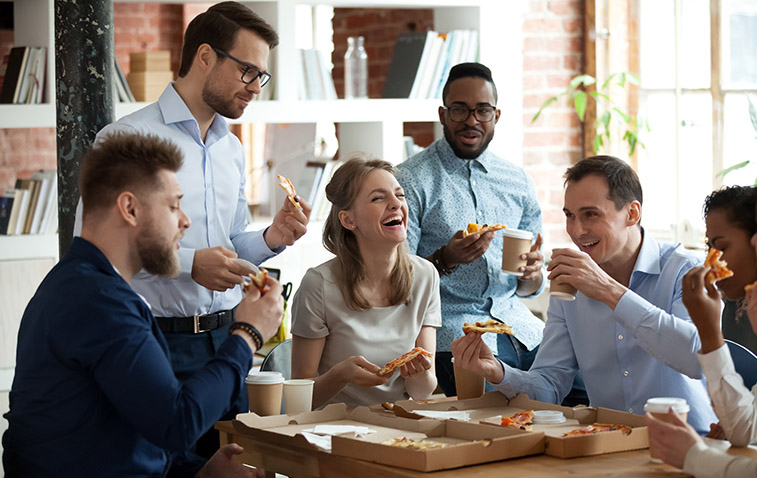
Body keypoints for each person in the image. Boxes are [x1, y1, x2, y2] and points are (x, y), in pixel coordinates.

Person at [73, 1, 311, 457]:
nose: (255, 87)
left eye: (262, 76)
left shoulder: (232, 149)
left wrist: (271, 239)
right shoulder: (126, 139)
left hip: (230, 338)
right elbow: (97, 252)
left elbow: (229, 245)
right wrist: (189, 266)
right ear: (205, 56)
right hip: (157, 342)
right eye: (248, 71)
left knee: (236, 464)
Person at [3, 133, 283, 477]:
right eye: (173, 205)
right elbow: (177, 422)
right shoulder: (98, 302)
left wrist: (201, 471)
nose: (185, 221)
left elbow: (128, 436)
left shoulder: (83, 286)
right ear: (130, 208)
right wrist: (247, 334)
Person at [451, 155, 717, 433]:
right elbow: (549, 386)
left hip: (692, 442)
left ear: (632, 213)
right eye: (570, 216)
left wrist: (608, 291)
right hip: (611, 443)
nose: (577, 231)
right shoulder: (568, 285)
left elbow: (698, 359)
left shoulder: (687, 270)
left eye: (591, 214)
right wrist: (497, 371)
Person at [394, 62, 548, 398]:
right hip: (453, 335)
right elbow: (396, 281)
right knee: (504, 411)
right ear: (442, 114)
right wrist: (446, 258)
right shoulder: (410, 180)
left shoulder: (517, 181)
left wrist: (533, 274)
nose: (471, 120)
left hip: (523, 329)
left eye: (482, 110)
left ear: (497, 115)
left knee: (583, 394)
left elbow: (531, 288)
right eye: (459, 109)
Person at [290, 155, 440, 408]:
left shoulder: (425, 275)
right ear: (349, 220)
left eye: (399, 195)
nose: (396, 204)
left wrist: (420, 373)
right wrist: (340, 375)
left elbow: (422, 392)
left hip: (397, 425)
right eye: (378, 198)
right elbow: (300, 401)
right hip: (333, 430)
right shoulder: (319, 284)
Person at [645, 186, 757, 477]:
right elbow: (745, 429)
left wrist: (693, 455)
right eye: (708, 246)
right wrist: (709, 334)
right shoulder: (739, 306)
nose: (710, 259)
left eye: (721, 246)